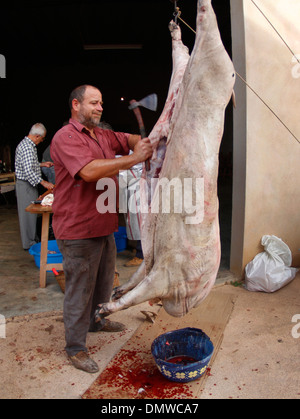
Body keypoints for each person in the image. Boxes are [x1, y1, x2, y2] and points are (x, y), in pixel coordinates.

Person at [50, 84, 153, 373]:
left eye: (101, 103)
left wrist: (138, 142)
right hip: (78, 229)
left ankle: (97, 320)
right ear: (75, 105)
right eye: (94, 103)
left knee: (103, 283)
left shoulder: (104, 135)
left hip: (103, 226)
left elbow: (128, 138)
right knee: (79, 289)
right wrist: (134, 159)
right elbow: (89, 171)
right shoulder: (66, 137)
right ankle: (75, 347)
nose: (100, 107)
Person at [15, 123, 55, 250]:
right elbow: (28, 171)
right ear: (37, 136)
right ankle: (29, 244)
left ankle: (33, 240)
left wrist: (43, 165)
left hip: (29, 184)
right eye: (42, 139)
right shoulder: (27, 147)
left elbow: (30, 164)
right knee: (28, 215)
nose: (41, 141)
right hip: (25, 185)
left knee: (32, 216)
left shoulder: (29, 145)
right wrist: (44, 182)